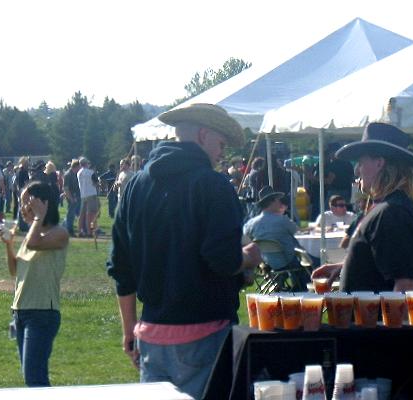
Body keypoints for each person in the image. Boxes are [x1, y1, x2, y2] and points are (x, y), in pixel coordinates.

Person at [107, 103, 261, 399]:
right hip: (207, 333)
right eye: (221, 144)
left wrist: (129, 330)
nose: (222, 154)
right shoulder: (213, 185)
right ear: (203, 135)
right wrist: (249, 258)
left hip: (152, 332)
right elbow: (223, 259)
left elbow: (121, 267)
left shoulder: (136, 186)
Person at [311, 123, 413, 293]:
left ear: (379, 163)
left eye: (361, 162)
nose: (357, 170)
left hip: (378, 312)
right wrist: (347, 267)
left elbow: (405, 287)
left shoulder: (393, 213)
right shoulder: (388, 208)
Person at [0, 180, 69, 387]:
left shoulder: (59, 233)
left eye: (26, 202)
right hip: (21, 312)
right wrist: (9, 245)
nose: (22, 208)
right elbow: (14, 271)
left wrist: (39, 216)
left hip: (42, 313)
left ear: (42, 203)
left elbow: (34, 243)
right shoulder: (31, 234)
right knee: (31, 377)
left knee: (35, 378)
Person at [243, 186, 310, 291]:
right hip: (287, 261)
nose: (280, 203)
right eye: (278, 200)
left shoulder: (251, 223)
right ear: (272, 202)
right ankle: (301, 288)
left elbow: (245, 241)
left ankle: (288, 286)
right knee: (310, 260)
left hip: (266, 263)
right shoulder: (282, 220)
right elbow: (298, 232)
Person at [77, 157, 99, 237]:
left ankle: (80, 231)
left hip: (83, 195)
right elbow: (96, 183)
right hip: (91, 194)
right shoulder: (91, 172)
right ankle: (90, 232)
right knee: (91, 214)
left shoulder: (79, 173)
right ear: (86, 163)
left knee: (82, 214)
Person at [62, 159, 81, 236]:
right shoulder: (68, 175)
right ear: (75, 166)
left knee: (72, 214)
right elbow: (66, 188)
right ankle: (69, 230)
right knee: (71, 214)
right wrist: (71, 198)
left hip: (75, 196)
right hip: (71, 197)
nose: (80, 169)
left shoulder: (74, 174)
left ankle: (64, 227)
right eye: (79, 167)